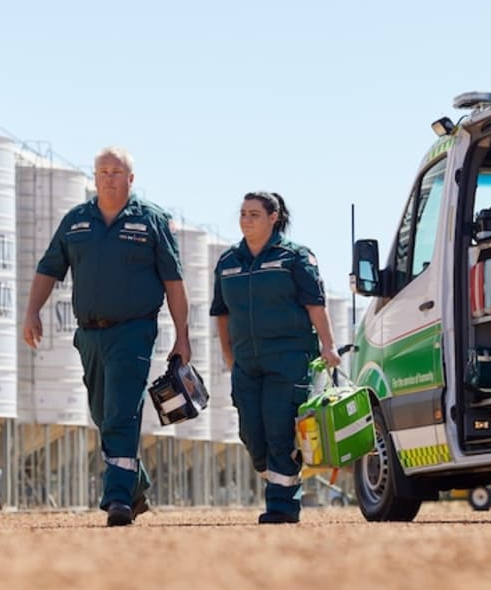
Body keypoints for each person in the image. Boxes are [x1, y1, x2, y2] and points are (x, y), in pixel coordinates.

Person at [22, 146, 191, 527]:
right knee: (103, 413)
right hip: (90, 335)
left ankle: (117, 500)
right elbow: (49, 268)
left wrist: (183, 336)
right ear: (94, 177)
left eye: (117, 172)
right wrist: (32, 311)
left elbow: (174, 283)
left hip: (134, 330)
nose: (109, 177)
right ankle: (135, 484)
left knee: (120, 411)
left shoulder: (152, 221)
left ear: (131, 179)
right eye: (103, 171)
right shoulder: (76, 221)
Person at [210, 191, 339, 524]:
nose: (246, 219)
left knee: (280, 429)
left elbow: (315, 305)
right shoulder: (228, 263)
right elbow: (221, 314)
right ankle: (278, 478)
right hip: (246, 361)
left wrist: (328, 345)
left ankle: (282, 506)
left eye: (254, 214)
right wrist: (228, 356)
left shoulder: (294, 258)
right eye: (242, 213)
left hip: (289, 357)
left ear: (274, 218)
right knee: (252, 432)